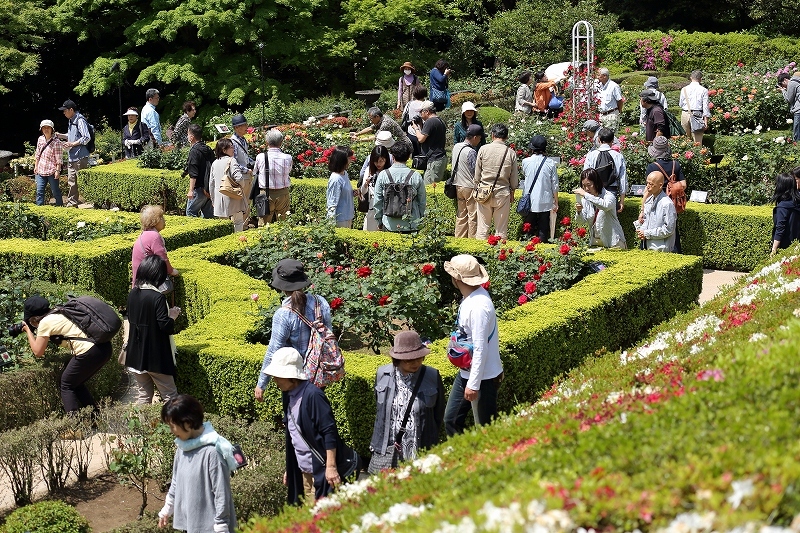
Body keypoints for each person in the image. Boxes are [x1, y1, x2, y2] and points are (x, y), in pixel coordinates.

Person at [263, 347, 343, 505]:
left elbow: (329, 432)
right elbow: (294, 435)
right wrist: (291, 468)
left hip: (321, 471)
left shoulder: (313, 395)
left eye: (278, 376)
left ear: (290, 376)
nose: (275, 380)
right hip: (304, 471)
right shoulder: (288, 395)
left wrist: (331, 467)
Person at [158, 394, 237, 533]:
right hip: (191, 525)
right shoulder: (182, 448)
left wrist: (221, 525)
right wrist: (167, 509)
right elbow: (176, 481)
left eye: (173, 426)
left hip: (212, 528)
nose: (171, 431)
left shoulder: (212, 452)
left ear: (187, 423)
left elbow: (221, 493)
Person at [254, 258, 332, 400]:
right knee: (314, 412)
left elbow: (273, 350)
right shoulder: (320, 302)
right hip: (318, 372)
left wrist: (261, 384)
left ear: (282, 286)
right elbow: (328, 336)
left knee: (295, 417)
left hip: (294, 377)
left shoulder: (283, 314)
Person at [368, 330, 444, 473]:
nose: (416, 363)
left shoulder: (432, 376)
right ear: (398, 359)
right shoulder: (382, 374)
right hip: (390, 449)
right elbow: (381, 412)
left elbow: (438, 414)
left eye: (419, 358)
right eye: (409, 359)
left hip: (420, 448)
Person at [443, 254, 503, 436]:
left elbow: (480, 347)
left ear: (456, 278)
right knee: (451, 419)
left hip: (482, 378)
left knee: (486, 430)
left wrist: (473, 385)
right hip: (469, 374)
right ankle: (464, 459)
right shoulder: (472, 297)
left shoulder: (478, 306)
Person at [21, 295, 112, 414]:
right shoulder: (59, 312)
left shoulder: (45, 323)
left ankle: (74, 425)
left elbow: (38, 352)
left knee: (66, 385)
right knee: (75, 383)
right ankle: (94, 418)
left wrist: (28, 330)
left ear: (33, 318)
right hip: (104, 347)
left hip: (90, 351)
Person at [126, 255, 181, 404]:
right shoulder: (157, 297)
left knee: (143, 396)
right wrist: (173, 316)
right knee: (171, 397)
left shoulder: (133, 294)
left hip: (135, 356)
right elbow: (165, 326)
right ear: (158, 274)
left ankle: (139, 426)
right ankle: (174, 426)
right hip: (155, 357)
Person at [474, 123, 519, 240]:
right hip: (502, 193)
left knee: (482, 229)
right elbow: (514, 179)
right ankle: (499, 256)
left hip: (484, 192)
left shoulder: (483, 149)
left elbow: (477, 174)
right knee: (501, 231)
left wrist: (477, 185)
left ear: (492, 135)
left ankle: (479, 256)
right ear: (506, 137)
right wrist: (513, 191)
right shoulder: (511, 153)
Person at [373, 142, 426, 232]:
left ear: (392, 157)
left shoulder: (383, 175)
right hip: (411, 225)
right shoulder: (416, 176)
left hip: (389, 224)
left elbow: (377, 201)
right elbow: (422, 202)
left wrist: (379, 221)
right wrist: (420, 219)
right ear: (409, 157)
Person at [645, 136, 686, 252]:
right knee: (673, 230)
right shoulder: (675, 164)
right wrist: (672, 187)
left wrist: (642, 208)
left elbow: (647, 190)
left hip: (657, 200)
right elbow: (684, 184)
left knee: (655, 228)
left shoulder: (652, 167)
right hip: (672, 201)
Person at [574, 168, 627, 249]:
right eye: (584, 186)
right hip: (596, 243)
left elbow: (604, 206)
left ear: (597, 183)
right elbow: (580, 222)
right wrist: (579, 211)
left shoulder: (609, 196)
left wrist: (585, 194)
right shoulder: (585, 200)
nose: (587, 189)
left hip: (614, 243)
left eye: (589, 185)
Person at [520, 135, 558, 241]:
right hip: (545, 200)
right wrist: (556, 201)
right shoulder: (551, 163)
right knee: (543, 228)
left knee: (528, 227)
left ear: (531, 148)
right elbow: (554, 184)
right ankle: (542, 249)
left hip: (530, 200)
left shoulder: (525, 161)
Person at [253, 128, 294, 225]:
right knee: (283, 225)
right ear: (281, 142)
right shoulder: (288, 157)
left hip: (265, 193)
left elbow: (255, 172)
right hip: (283, 193)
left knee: (263, 225)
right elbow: (289, 171)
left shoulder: (260, 157)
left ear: (267, 142)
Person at [132, 205, 179, 286]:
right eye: (161, 218)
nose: (164, 220)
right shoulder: (154, 236)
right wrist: (172, 271)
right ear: (154, 221)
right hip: (146, 283)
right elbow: (162, 258)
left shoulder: (145, 234)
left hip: (139, 283)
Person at [583, 128, 628, 213]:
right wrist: (622, 201)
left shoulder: (591, 155)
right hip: (611, 193)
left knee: (594, 221)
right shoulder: (618, 156)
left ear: (599, 139)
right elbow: (623, 180)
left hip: (594, 192)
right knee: (610, 222)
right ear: (612, 140)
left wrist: (585, 195)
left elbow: (585, 177)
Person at [56, 99, 90, 208]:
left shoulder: (80, 120)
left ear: (71, 110)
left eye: (65, 110)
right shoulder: (71, 120)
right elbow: (72, 136)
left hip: (80, 156)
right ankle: (72, 204)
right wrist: (61, 135)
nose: (64, 113)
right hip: (72, 156)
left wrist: (72, 144)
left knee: (83, 182)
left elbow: (86, 137)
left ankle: (92, 202)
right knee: (72, 182)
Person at [210, 138, 249, 232]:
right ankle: (237, 243)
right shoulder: (232, 161)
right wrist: (241, 186)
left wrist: (213, 199)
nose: (233, 149)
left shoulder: (215, 163)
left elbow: (211, 183)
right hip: (233, 196)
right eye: (231, 147)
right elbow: (239, 178)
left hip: (219, 197)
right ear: (224, 150)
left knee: (224, 225)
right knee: (238, 222)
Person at [451, 124, 482, 238]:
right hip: (469, 187)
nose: (479, 141)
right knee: (473, 216)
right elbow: (476, 172)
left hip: (457, 185)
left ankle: (459, 239)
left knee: (461, 214)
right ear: (474, 137)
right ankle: (471, 241)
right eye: (479, 138)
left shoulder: (456, 147)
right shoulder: (471, 152)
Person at [635, 171, 677, 252]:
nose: (647, 186)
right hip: (648, 246)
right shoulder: (649, 200)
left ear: (660, 185)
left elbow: (669, 229)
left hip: (661, 249)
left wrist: (647, 233)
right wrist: (642, 231)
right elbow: (646, 220)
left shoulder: (667, 204)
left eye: (651, 184)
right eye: (647, 183)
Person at [412, 100, 447, 185]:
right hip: (438, 157)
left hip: (435, 159)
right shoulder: (439, 120)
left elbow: (421, 139)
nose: (420, 114)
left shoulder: (430, 121)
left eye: (421, 112)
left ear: (427, 111)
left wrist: (415, 128)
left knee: (428, 186)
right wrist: (421, 125)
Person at [185, 124, 215, 218]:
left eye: (188, 134)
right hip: (208, 188)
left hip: (199, 189)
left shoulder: (194, 151)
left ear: (192, 137)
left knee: (190, 213)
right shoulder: (208, 149)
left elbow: (193, 173)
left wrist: (190, 190)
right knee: (208, 216)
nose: (187, 137)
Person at [360, 144, 392, 231]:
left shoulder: (389, 172)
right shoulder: (369, 170)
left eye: (381, 161)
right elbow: (363, 192)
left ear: (386, 160)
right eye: (376, 161)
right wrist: (366, 184)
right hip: (372, 209)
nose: (378, 164)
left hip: (386, 210)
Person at [33, 119, 64, 206]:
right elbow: (37, 154)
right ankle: (39, 211)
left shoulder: (56, 142)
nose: (46, 130)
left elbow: (59, 159)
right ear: (41, 129)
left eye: (48, 128)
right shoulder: (40, 139)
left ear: (52, 129)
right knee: (39, 191)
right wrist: (36, 166)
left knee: (55, 192)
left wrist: (57, 171)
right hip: (41, 170)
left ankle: (60, 208)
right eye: (44, 128)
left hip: (52, 171)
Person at [326, 146, 356, 228]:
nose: (350, 160)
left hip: (348, 216)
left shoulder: (345, 174)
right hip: (340, 219)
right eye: (349, 158)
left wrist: (353, 192)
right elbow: (332, 202)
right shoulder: (336, 179)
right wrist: (331, 223)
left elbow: (343, 192)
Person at [771, 173, 800, 255]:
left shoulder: (783, 207)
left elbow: (780, 229)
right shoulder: (797, 202)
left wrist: (774, 250)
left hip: (786, 248)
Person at [679, 70, 710, 145]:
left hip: (685, 114)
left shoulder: (684, 89)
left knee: (685, 140)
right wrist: (706, 122)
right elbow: (705, 107)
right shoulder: (704, 90)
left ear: (690, 78)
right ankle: (697, 156)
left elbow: (680, 104)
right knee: (698, 142)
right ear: (700, 79)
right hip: (697, 115)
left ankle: (686, 155)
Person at [402, 85, 428, 156]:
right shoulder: (426, 104)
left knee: (414, 156)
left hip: (411, 133)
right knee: (423, 156)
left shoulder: (409, 104)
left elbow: (404, 116)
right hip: (423, 134)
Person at [777, 73, 800, 142]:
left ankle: (796, 148)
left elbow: (789, 99)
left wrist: (783, 91)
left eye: (781, 84)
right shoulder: (797, 82)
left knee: (797, 132)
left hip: (799, 111)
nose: (783, 86)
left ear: (785, 80)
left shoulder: (791, 83)